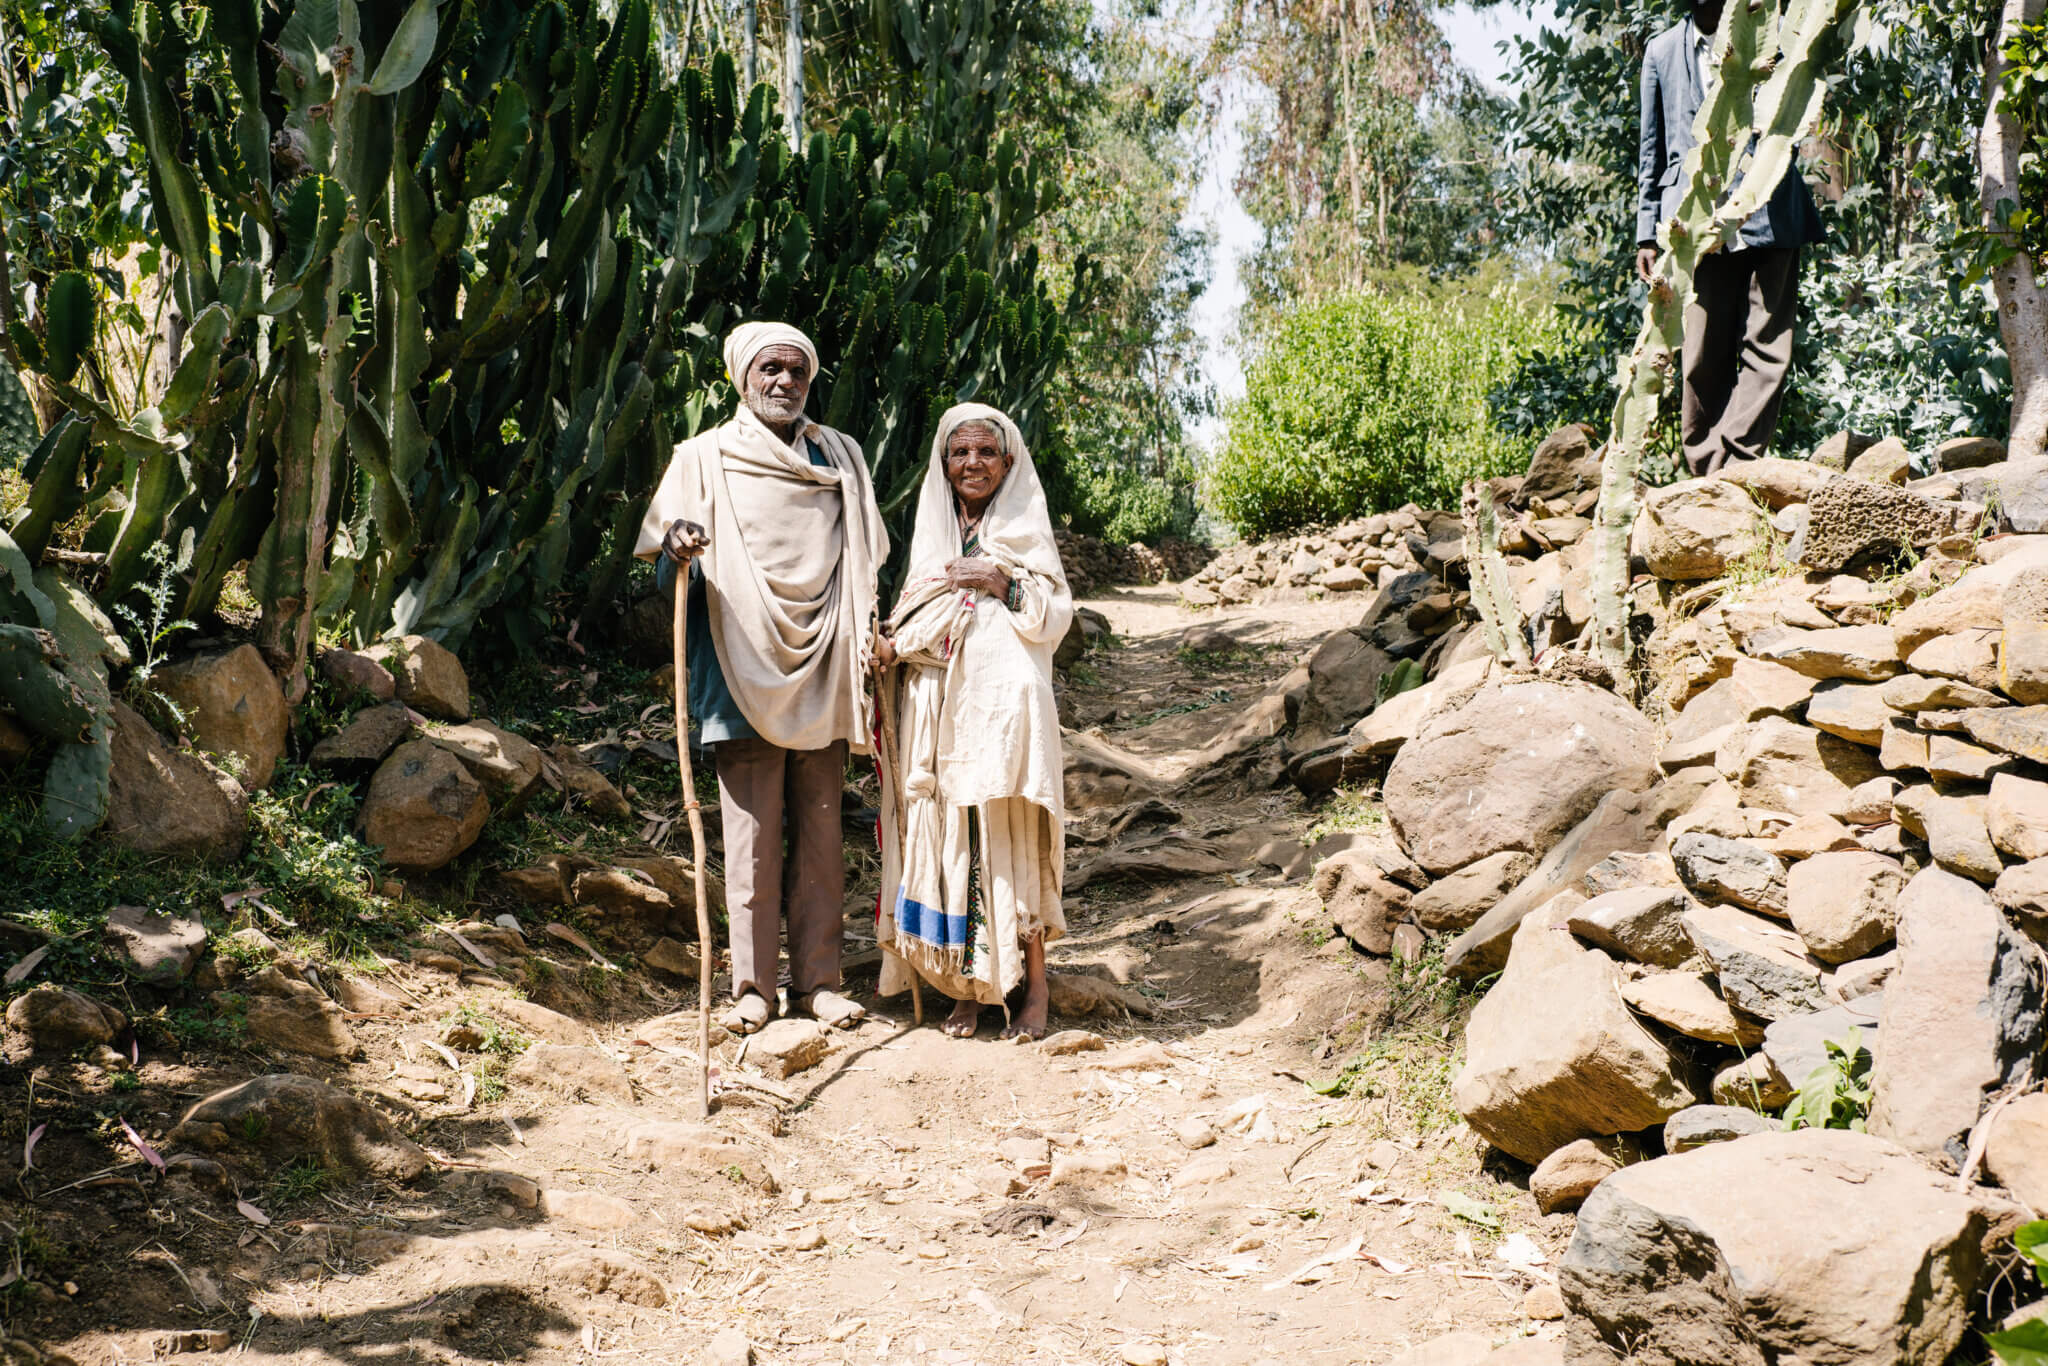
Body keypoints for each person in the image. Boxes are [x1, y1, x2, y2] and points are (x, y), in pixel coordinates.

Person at [634, 321, 888, 1035]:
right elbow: (666, 571)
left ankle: (819, 982)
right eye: (769, 369)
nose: (783, 382)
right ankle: (752, 987)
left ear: (810, 380)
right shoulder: (703, 458)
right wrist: (678, 551)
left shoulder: (841, 457)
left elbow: (864, 556)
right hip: (738, 662)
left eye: (796, 371)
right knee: (747, 835)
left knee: (819, 827)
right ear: (743, 378)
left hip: (823, 666)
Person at [873, 404, 1072, 1041]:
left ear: (1008, 462)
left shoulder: (1022, 530)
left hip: (1005, 722)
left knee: (1010, 837)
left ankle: (1032, 983)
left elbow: (1051, 615)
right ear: (944, 464)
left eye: (987, 453)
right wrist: (892, 645)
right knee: (949, 841)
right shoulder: (935, 538)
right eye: (960, 453)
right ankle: (967, 987)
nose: (973, 465)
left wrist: (1000, 580)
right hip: (941, 718)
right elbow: (914, 623)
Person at [1635, 0, 1824, 476]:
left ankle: (1739, 463)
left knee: (1768, 344)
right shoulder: (1660, 52)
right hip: (1694, 217)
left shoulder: (1777, 40)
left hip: (1770, 206)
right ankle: (1705, 468)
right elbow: (1651, 151)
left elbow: (1796, 108)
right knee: (1700, 352)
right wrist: (1647, 233)